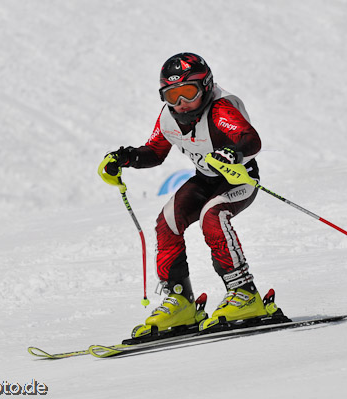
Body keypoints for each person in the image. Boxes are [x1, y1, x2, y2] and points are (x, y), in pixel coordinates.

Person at [103, 52, 273, 336]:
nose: (181, 104)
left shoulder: (220, 109)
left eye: (188, 93)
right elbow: (155, 152)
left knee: (212, 216)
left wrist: (234, 152)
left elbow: (250, 139)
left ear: (206, 86)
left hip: (239, 179)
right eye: (172, 96)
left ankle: (245, 294)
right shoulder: (169, 118)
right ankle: (180, 300)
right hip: (205, 179)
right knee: (167, 222)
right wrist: (127, 157)